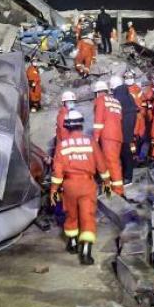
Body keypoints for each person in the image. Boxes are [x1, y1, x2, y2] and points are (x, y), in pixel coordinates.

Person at [50, 110, 111, 265]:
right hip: (87, 185)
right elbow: (101, 164)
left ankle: (72, 243)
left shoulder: (62, 145)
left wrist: (54, 190)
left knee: (71, 215)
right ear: (81, 125)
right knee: (87, 216)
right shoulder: (90, 142)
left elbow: (57, 171)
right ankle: (86, 252)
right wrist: (107, 182)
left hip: (69, 185)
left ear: (67, 126)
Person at [92, 80, 125, 195]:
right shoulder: (116, 101)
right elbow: (119, 118)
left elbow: (98, 121)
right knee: (110, 163)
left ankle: (118, 192)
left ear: (97, 92)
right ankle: (108, 190)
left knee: (111, 164)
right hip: (118, 136)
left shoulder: (100, 100)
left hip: (107, 136)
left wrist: (95, 138)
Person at [109, 74, 139, 184]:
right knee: (128, 151)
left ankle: (127, 177)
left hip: (123, 129)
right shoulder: (127, 94)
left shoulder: (118, 97)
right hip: (129, 127)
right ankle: (128, 174)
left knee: (125, 152)